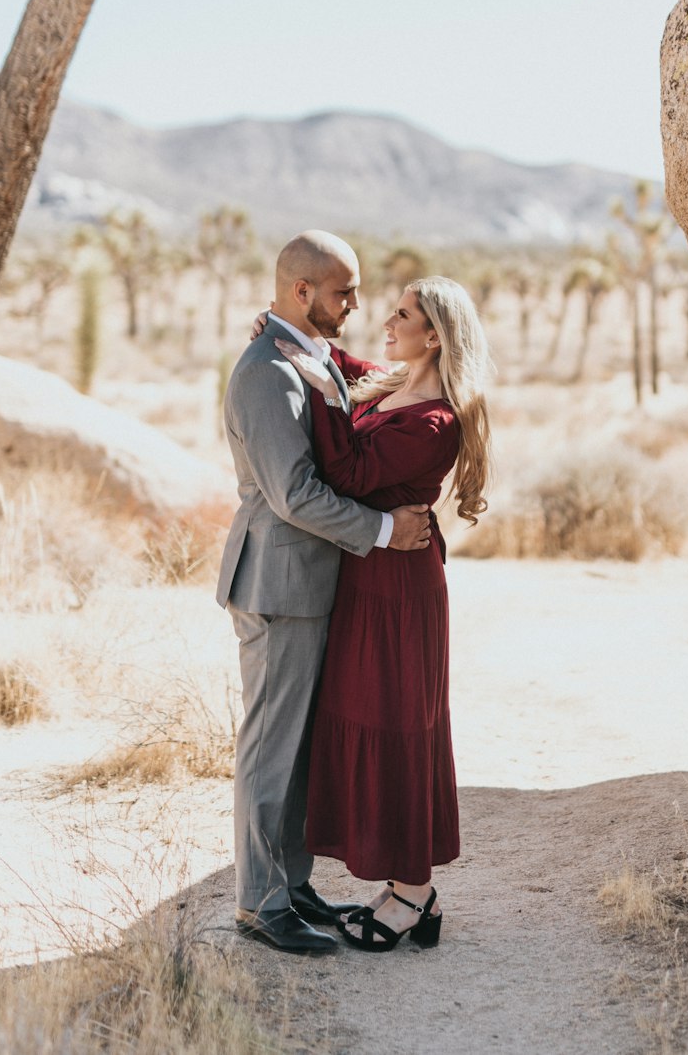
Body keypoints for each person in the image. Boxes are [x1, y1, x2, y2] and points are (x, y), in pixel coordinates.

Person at [217, 231, 433, 957]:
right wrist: (382, 529)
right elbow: (294, 493)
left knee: (298, 748)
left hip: (313, 584)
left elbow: (370, 382)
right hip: (278, 583)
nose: (355, 304)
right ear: (302, 291)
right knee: (270, 746)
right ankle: (259, 903)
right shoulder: (267, 374)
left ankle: (291, 884)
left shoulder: (306, 356)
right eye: (343, 292)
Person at [273, 274, 492, 951]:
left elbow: (348, 471)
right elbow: (352, 367)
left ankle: (415, 893)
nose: (386, 323)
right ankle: (401, 887)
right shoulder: (400, 386)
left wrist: (307, 377)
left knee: (396, 724)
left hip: (400, 589)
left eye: (402, 314)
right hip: (370, 579)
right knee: (369, 714)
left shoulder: (435, 421)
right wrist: (297, 341)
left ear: (435, 334)